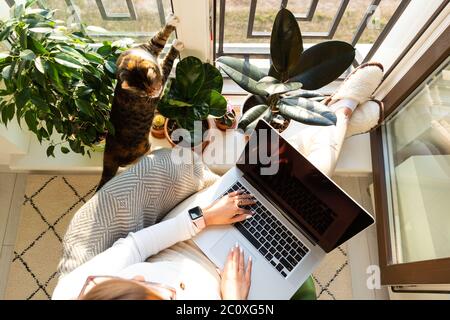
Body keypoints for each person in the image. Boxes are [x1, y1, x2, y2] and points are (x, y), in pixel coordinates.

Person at [52, 62, 384, 300]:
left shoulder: (79, 291)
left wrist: (204, 218)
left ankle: (339, 116)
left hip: (185, 240)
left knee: (274, 179)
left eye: (134, 281)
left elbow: (137, 246)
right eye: (151, 291)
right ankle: (339, 114)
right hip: (234, 287)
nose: (139, 274)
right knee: (309, 201)